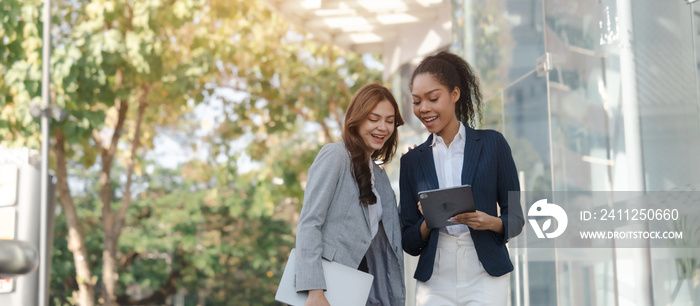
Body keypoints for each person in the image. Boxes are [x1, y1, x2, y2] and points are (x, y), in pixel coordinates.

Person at [399, 51, 524, 305]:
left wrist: (490, 222)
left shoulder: (493, 144)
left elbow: (517, 219)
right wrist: (429, 221)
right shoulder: (411, 162)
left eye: (433, 98)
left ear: (455, 94)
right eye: (416, 101)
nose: (424, 109)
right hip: (434, 278)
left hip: (485, 272)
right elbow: (409, 242)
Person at [295, 83, 406, 306]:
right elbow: (310, 223)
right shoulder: (336, 156)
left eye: (389, 120)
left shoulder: (380, 177)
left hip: (364, 288)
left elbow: (390, 236)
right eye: (373, 119)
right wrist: (315, 290)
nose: (382, 127)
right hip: (326, 289)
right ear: (357, 119)